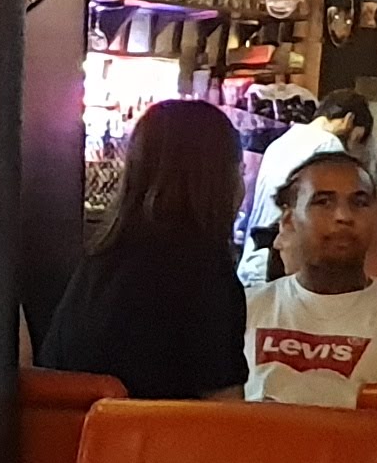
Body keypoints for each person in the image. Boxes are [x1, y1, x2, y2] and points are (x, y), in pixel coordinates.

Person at [42, 97, 250, 400]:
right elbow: (222, 409)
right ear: (219, 179)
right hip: (152, 431)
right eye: (240, 172)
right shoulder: (206, 274)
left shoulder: (99, 260)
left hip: (70, 430)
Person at [246, 152, 377, 404]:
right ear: (289, 221)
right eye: (323, 202)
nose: (343, 216)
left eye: (359, 202)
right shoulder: (245, 309)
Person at [250, 87, 371, 259]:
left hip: (255, 253)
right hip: (284, 256)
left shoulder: (281, 142)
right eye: (357, 138)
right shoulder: (329, 145)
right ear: (348, 120)